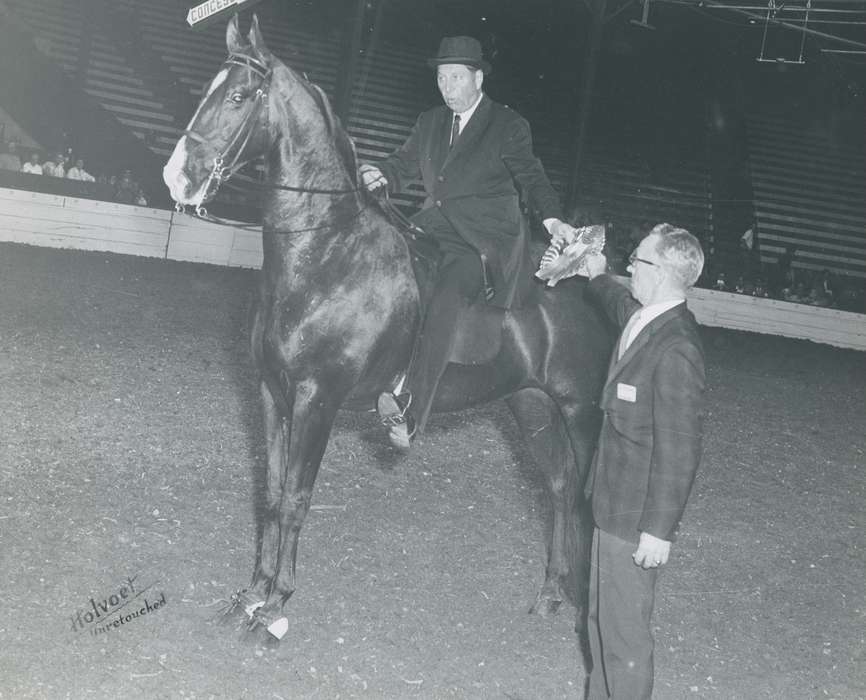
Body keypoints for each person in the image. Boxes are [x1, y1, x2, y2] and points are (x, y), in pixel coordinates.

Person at [358, 35, 579, 450]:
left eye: (456, 77)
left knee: (445, 297)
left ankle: (412, 410)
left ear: (478, 78)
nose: (446, 86)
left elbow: (530, 176)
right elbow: (402, 165)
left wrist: (552, 220)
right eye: (441, 77)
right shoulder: (429, 121)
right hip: (433, 228)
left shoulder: (508, 125)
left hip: (483, 240)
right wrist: (381, 173)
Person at [582, 223, 707, 700]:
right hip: (610, 503)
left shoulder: (677, 348)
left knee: (625, 640)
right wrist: (595, 276)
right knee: (600, 628)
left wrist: (659, 530)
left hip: (634, 518)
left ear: (663, 271)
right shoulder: (647, 318)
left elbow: (681, 447)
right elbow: (619, 307)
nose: (628, 266)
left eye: (636, 260)